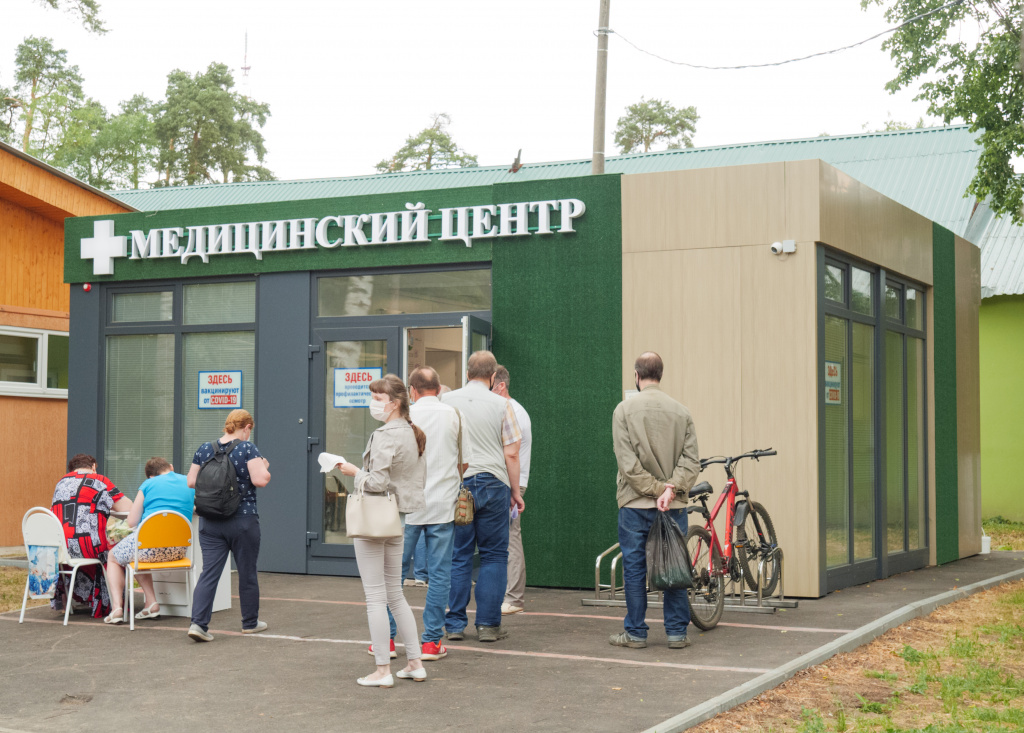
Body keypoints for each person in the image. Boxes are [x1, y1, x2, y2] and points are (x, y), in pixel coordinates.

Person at [337, 374, 428, 686]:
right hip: (398, 519)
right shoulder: (412, 433)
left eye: (378, 397)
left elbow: (376, 482)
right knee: (394, 594)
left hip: (375, 517)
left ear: (395, 403)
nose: (373, 402)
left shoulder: (385, 435)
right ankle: (414, 662)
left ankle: (382, 670)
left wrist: (353, 472)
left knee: (375, 597)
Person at [610, 352, 700, 650]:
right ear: (660, 374)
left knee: (634, 568)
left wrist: (655, 489)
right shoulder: (682, 412)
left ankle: (636, 633)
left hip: (635, 504)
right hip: (673, 506)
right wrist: (670, 489)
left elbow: (628, 465)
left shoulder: (623, 411)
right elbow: (691, 461)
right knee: (673, 565)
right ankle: (676, 632)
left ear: (637, 376)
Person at [384, 366, 470, 662]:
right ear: (437, 388)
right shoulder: (455, 415)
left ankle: (388, 641)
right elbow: (465, 462)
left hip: (405, 507)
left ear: (413, 390)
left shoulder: (405, 418)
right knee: (440, 575)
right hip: (443, 506)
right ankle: (432, 642)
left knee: (392, 575)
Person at [441, 351, 524, 642]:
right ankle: (488, 625)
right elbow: (511, 453)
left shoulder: (447, 402)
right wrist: (515, 491)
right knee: (493, 555)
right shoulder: (503, 405)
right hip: (493, 483)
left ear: (466, 373)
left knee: (459, 555)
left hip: (458, 484)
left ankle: (453, 625)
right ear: (492, 377)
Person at [186, 409, 271, 641]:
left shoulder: (205, 449)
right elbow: (260, 480)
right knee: (247, 572)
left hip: (210, 522)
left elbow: (191, 481)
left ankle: (198, 624)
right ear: (246, 428)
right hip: (242, 520)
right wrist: (263, 465)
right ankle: (250, 623)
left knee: (209, 573)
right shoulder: (248, 448)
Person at [104, 457, 195, 624]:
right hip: (180, 550)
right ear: (171, 467)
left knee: (113, 557)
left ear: (151, 477)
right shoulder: (188, 481)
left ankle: (117, 608)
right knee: (137, 552)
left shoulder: (147, 485)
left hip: (148, 549)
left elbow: (131, 522)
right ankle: (150, 604)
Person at [50, 454, 132, 619]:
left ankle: (71, 601)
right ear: (93, 466)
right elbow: (129, 507)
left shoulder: (60, 483)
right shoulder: (100, 480)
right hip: (88, 548)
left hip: (61, 549)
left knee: (77, 542)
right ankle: (115, 603)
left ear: (71, 469)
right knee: (113, 551)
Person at [491, 364, 532, 616]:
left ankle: (514, 597)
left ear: (501, 385)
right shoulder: (510, 408)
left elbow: (511, 453)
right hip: (507, 481)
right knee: (505, 539)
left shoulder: (511, 411)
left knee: (510, 538)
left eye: (488, 384)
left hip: (510, 482)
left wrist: (514, 489)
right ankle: (507, 594)